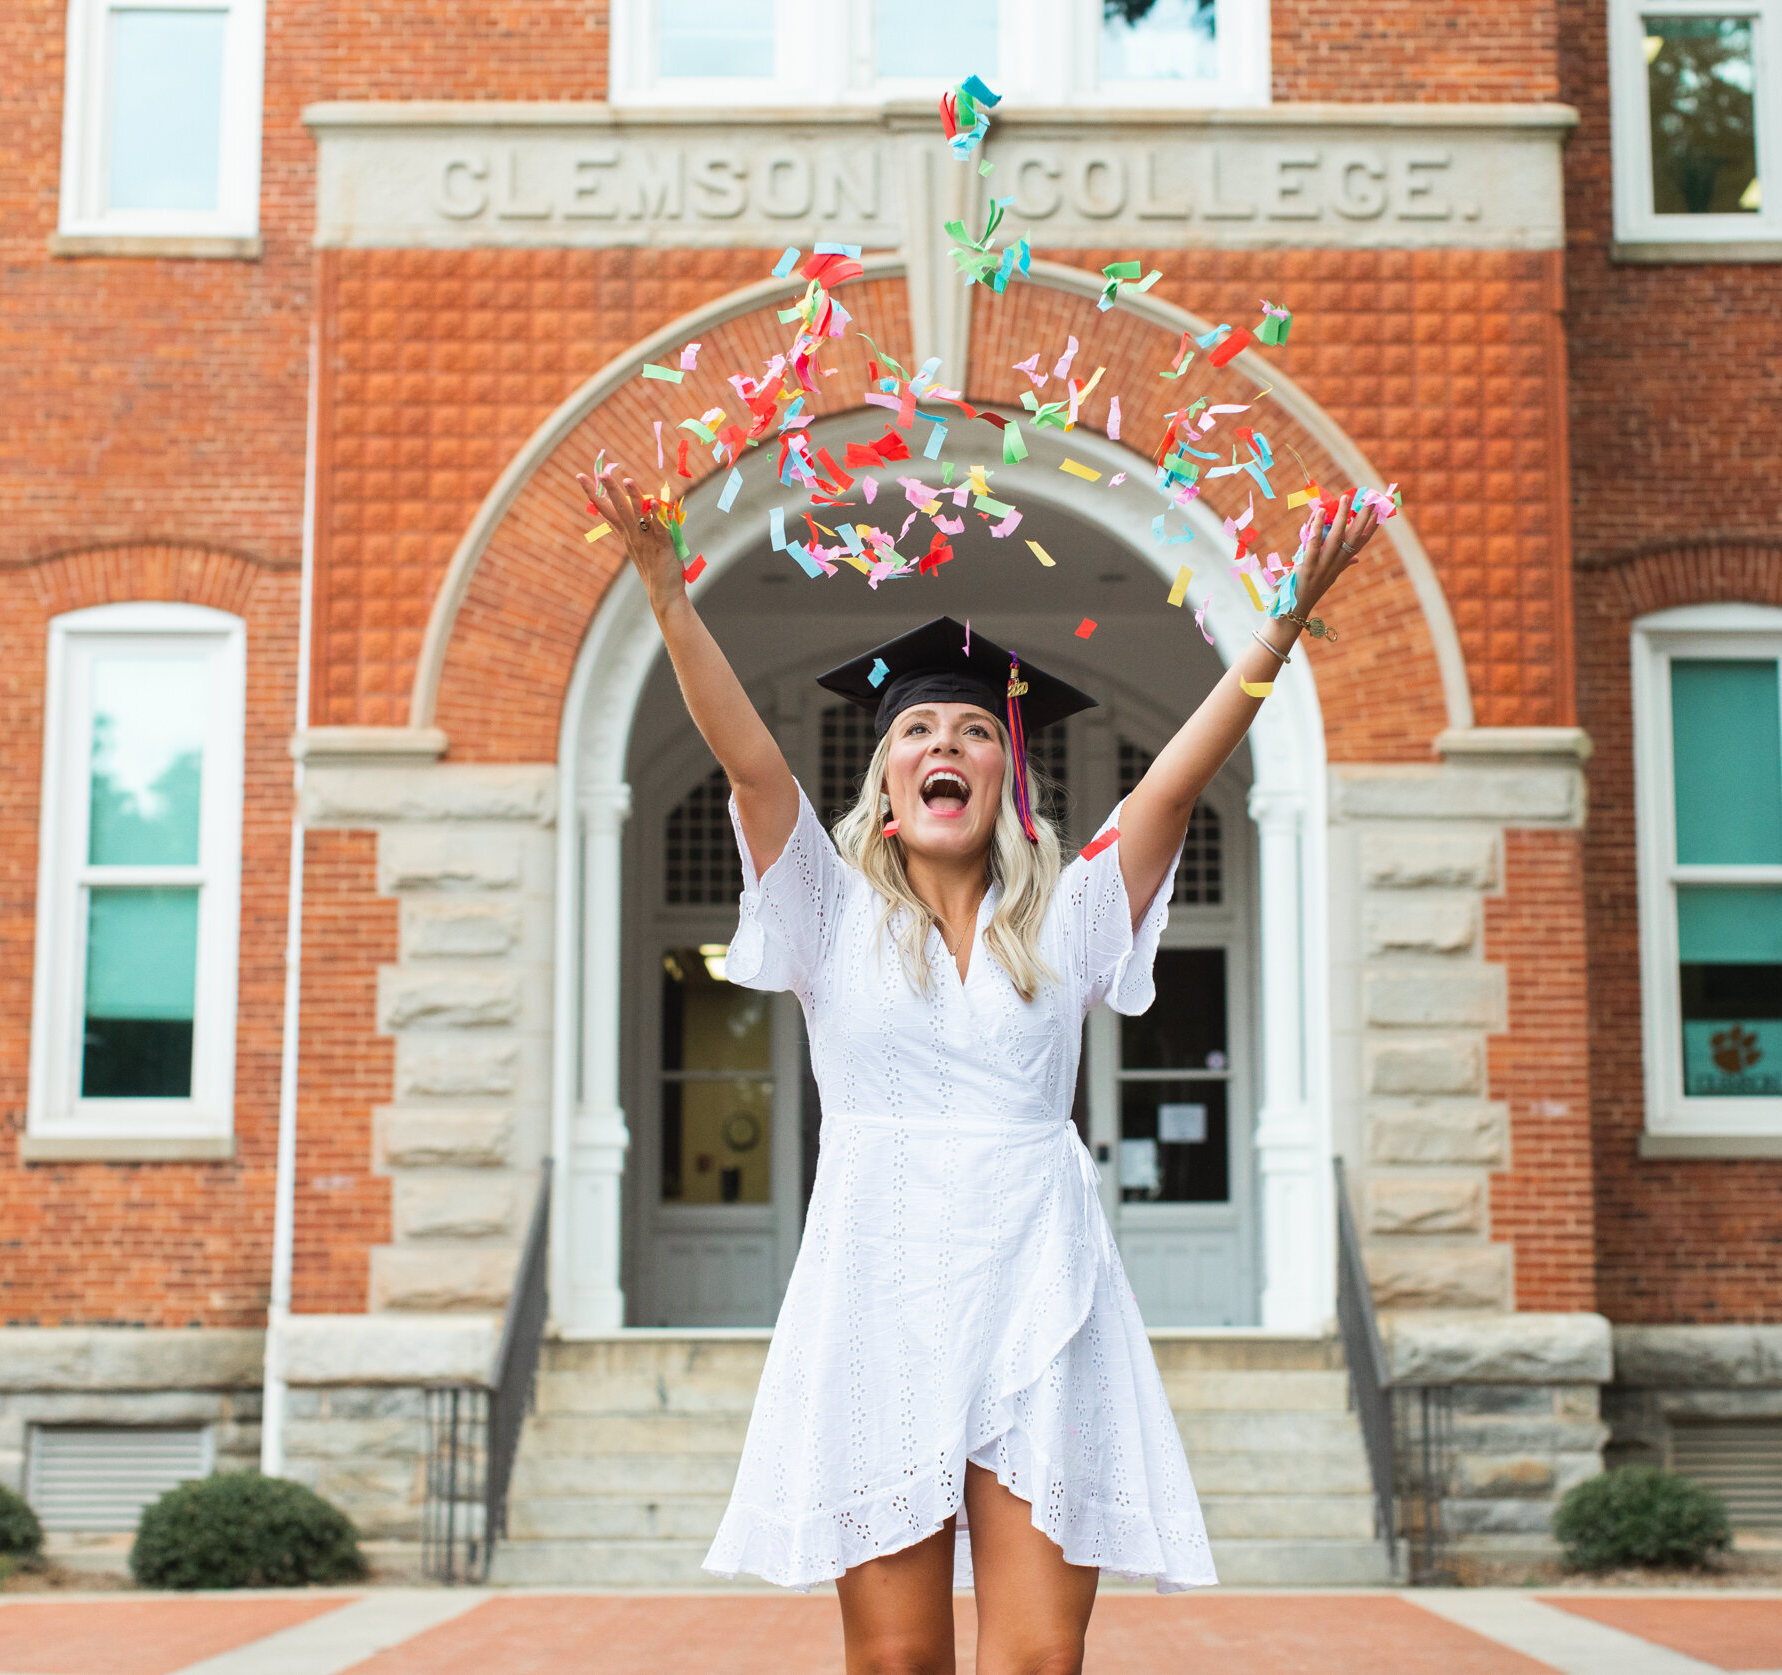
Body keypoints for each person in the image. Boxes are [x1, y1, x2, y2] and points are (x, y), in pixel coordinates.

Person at [580, 460, 1386, 1675]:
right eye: (915, 729)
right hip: (881, 1294)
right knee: (897, 1661)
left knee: (1032, 1663)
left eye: (970, 730)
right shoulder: (831, 915)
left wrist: (1274, 629)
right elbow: (751, 767)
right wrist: (667, 596)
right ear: (889, 785)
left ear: (1006, 775)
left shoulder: (1066, 918)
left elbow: (1176, 780)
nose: (941, 742)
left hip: (1039, 1298)